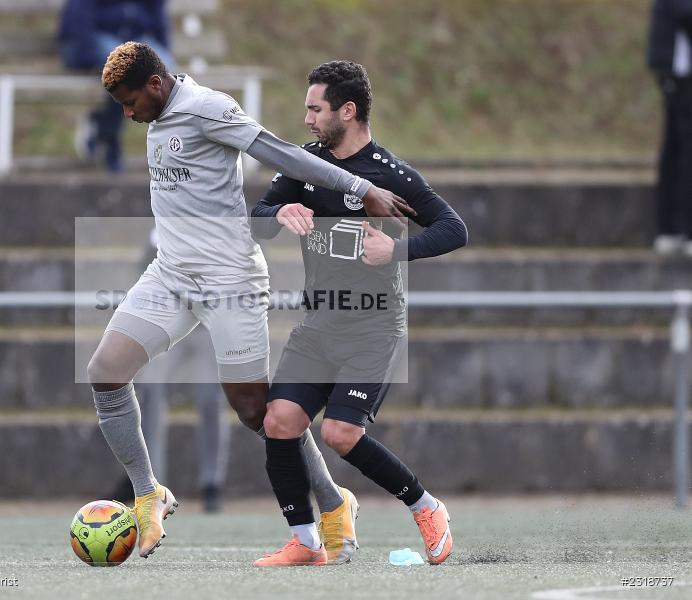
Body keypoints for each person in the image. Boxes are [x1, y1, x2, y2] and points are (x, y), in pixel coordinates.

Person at [87, 41, 415, 561]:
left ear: (155, 84)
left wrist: (358, 188)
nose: (128, 114)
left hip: (230, 280)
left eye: (131, 102)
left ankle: (333, 502)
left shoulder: (208, 108)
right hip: (170, 274)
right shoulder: (156, 117)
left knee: (257, 412)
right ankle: (148, 493)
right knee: (105, 371)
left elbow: (281, 153)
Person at [249, 61, 467, 567]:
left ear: (347, 111)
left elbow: (454, 229)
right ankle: (306, 543)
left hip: (373, 326)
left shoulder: (389, 175)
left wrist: (396, 252)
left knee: (339, 435)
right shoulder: (305, 164)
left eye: (314, 108)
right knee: (278, 420)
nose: (306, 119)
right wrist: (279, 213)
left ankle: (427, 507)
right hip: (319, 324)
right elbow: (257, 217)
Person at [107, 231, 231, 513]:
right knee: (149, 391)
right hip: (172, 323)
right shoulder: (163, 225)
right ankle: (150, 483)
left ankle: (212, 483)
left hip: (210, 326)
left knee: (209, 399)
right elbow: (144, 272)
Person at [58, 0, 175, 172]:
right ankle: (111, 142)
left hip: (134, 39)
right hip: (94, 37)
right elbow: (80, 14)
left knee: (165, 74)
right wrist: (85, 56)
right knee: (125, 69)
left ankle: (101, 127)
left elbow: (157, 13)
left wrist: (161, 56)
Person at [648, 0, 692, 254]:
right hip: (678, 74)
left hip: (677, 73)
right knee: (682, 152)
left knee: (677, 149)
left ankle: (673, 228)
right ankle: (679, 228)